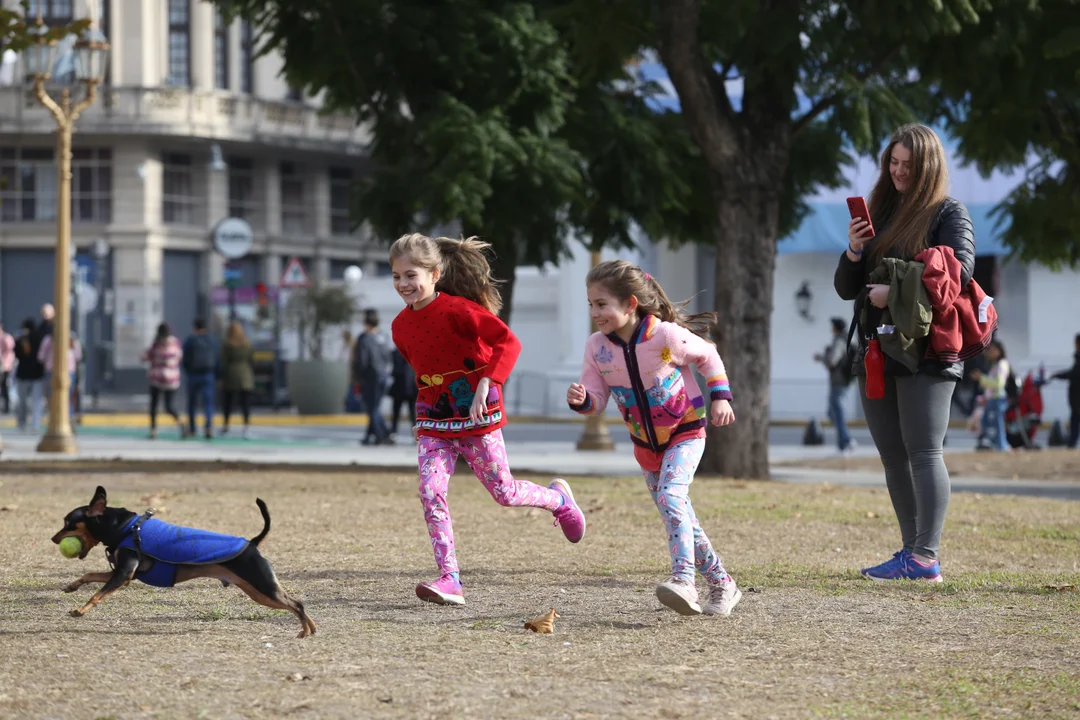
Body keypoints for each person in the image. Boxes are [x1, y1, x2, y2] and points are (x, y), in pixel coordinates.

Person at [389, 233, 586, 606]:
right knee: (430, 492)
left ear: (434, 273)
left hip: (479, 415)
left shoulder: (460, 310)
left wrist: (487, 383)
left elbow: (508, 343)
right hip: (435, 422)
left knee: (504, 493)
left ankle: (559, 500)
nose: (403, 285)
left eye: (411, 275)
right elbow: (425, 372)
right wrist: (424, 412)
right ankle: (450, 579)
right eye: (396, 276)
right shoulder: (400, 327)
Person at [834, 123, 976, 583]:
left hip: (927, 352)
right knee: (893, 455)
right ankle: (911, 552)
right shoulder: (881, 209)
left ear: (927, 167)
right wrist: (855, 252)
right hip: (877, 348)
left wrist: (890, 290)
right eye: (892, 163)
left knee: (923, 452)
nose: (897, 172)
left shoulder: (947, 213)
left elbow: (958, 275)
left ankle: (925, 556)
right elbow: (844, 289)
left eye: (907, 166)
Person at [566, 260, 742, 617]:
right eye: (591, 305)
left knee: (672, 496)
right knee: (679, 516)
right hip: (647, 447)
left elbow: (707, 355)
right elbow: (597, 400)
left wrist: (721, 395)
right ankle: (724, 584)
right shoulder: (597, 348)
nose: (595, 313)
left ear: (630, 304)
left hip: (686, 431)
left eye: (602, 304)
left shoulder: (665, 336)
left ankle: (684, 581)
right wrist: (584, 400)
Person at [813, 317, 857, 453]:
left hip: (839, 381)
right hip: (841, 381)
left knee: (836, 412)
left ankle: (845, 441)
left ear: (836, 327)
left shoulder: (839, 341)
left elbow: (832, 361)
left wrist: (822, 357)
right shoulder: (846, 339)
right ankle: (845, 440)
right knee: (833, 412)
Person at [353, 308, 393, 445]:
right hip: (383, 376)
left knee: (372, 407)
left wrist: (358, 377)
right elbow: (388, 357)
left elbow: (362, 361)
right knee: (375, 406)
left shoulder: (364, 339)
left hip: (370, 377)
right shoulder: (383, 337)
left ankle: (384, 433)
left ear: (366, 323)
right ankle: (371, 435)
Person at [142, 322, 185, 439]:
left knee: (157, 406)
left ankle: (154, 430)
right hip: (170, 379)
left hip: (160, 378)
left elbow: (147, 356)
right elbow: (179, 357)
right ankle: (180, 423)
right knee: (166, 406)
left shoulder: (159, 345)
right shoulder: (175, 344)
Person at [182, 318, 219, 440]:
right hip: (208, 374)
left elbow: (184, 359)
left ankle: (193, 429)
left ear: (195, 327)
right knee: (208, 403)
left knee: (192, 404)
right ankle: (208, 427)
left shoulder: (190, 340)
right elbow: (217, 359)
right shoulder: (212, 340)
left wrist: (188, 371)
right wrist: (218, 375)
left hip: (193, 375)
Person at [971, 341, 1011, 451]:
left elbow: (998, 383)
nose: (990, 353)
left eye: (992, 350)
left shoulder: (1002, 364)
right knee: (989, 423)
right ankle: (995, 444)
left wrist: (981, 378)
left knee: (997, 423)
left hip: (997, 398)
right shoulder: (996, 365)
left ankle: (1001, 446)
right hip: (992, 399)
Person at [221, 320, 255, 439]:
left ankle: (226, 427)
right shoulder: (247, 343)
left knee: (228, 403)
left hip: (231, 376)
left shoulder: (227, 344)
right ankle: (246, 428)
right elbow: (252, 359)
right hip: (245, 376)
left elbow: (224, 361)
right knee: (245, 404)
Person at [37, 331, 82, 422]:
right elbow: (41, 356)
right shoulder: (49, 340)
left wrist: (73, 344)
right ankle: (55, 419)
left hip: (68, 371)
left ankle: (68, 419)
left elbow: (78, 356)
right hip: (51, 371)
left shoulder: (72, 339)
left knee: (67, 397)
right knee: (52, 397)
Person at [13, 318, 45, 431]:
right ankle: (35, 424)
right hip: (37, 374)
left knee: (22, 401)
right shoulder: (39, 337)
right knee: (37, 401)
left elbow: (16, 353)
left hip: (23, 373)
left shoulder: (21, 338)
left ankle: (22, 422)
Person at [1050, 333, 1080, 448]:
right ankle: (1071, 444)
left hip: (1077, 398)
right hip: (1076, 398)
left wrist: (1056, 375)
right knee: (1074, 421)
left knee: (1074, 421)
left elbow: (1073, 374)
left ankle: (1071, 444)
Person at [388, 345, 418, 439]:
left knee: (411, 412)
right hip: (404, 386)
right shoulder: (411, 352)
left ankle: (394, 432)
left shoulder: (399, 352)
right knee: (399, 411)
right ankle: (393, 432)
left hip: (407, 387)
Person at [0, 321, 13, 414]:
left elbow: (10, 350)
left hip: (4, 367)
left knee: (5, 387)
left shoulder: (6, 337)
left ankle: (7, 407)